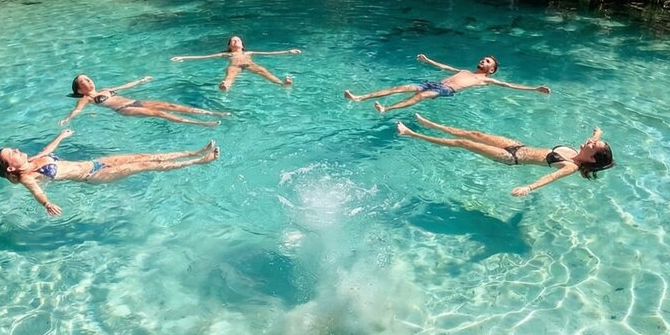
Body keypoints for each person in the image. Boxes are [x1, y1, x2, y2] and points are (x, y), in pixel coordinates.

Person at [0, 129, 221, 215]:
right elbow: (37, 192)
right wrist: (47, 204)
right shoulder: (27, 177)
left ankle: (195, 151)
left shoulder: (32, 160)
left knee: (143, 156)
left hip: (95, 163)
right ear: (10, 167)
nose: (16, 149)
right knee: (146, 165)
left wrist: (60, 137)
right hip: (93, 176)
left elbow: (47, 150)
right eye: (10, 152)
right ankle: (200, 161)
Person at [395, 114, 614, 196]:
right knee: (475, 133)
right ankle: (429, 123)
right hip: (518, 145)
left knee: (463, 143)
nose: (590, 142)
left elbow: (549, 178)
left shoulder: (571, 166)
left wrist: (528, 188)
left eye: (593, 145)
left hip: (511, 158)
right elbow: (593, 139)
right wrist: (598, 133)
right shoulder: (578, 152)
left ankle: (412, 134)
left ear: (592, 158)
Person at [344, 54, 550, 113]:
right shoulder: (465, 70)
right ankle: (360, 97)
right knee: (399, 87)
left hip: (446, 90)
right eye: (483, 59)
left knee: (420, 97)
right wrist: (427, 61)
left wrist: (535, 89)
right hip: (433, 82)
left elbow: (509, 86)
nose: (483, 61)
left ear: (491, 70)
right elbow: (444, 67)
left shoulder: (485, 80)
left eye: (487, 62)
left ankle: (386, 109)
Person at [60, 74, 226, 126]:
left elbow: (125, 86)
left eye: (88, 78)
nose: (88, 81)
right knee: (158, 113)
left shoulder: (104, 90)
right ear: (80, 89)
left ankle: (212, 112)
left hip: (134, 101)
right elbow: (77, 110)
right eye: (83, 82)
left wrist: (141, 80)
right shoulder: (87, 98)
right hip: (124, 109)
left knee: (170, 105)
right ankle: (202, 123)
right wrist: (69, 118)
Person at [171, 35, 302, 91]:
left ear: (242, 45)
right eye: (233, 41)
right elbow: (204, 57)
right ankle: (225, 86)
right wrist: (183, 57)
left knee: (263, 71)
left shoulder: (248, 53)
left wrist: (288, 51)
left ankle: (282, 84)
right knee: (230, 74)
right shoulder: (227, 54)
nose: (235, 41)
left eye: (237, 40)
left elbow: (269, 53)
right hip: (234, 65)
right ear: (229, 46)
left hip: (249, 64)